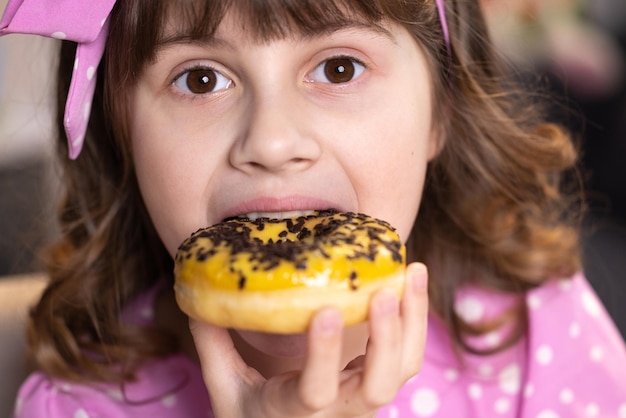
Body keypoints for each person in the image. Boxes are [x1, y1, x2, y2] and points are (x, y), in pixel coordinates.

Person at [2, 0, 625, 417]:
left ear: (443, 112)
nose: (272, 143)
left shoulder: (538, 334)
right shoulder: (78, 402)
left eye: (338, 67)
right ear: (122, 136)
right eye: (200, 79)